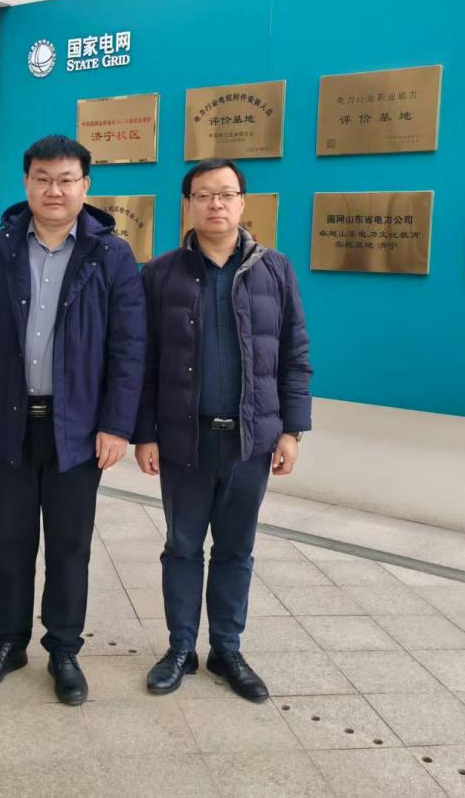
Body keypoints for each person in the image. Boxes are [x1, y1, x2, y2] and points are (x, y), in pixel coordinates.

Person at [0, 134, 146, 705]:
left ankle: (63, 648)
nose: (54, 190)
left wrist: (117, 424)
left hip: (78, 428)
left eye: (66, 179)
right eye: (43, 178)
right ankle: (8, 643)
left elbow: (129, 347)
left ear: (86, 186)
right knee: (10, 543)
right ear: (27, 182)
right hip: (9, 422)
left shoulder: (112, 255)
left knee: (68, 546)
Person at [134, 158, 312, 700]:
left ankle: (227, 649)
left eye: (226, 194)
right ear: (188, 204)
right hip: (183, 439)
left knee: (235, 549)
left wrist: (292, 430)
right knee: (183, 548)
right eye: (204, 194)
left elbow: (294, 355)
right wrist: (145, 433)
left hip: (250, 441)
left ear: (242, 203)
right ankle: (180, 649)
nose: (216, 204)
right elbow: (142, 361)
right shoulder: (159, 274)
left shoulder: (274, 270)